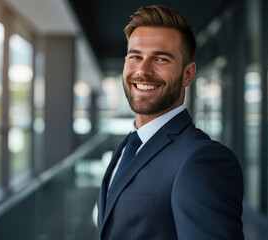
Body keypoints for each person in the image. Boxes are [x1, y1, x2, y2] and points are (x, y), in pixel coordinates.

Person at [97, 5, 243, 240]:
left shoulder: (202, 160)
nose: (143, 71)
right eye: (135, 56)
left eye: (160, 59)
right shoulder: (126, 147)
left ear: (187, 74)